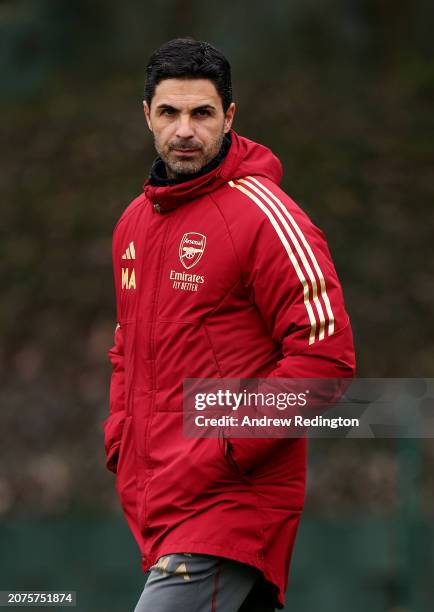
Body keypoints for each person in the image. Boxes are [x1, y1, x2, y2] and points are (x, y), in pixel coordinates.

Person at [103, 38, 356, 611]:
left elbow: (326, 359)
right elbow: (126, 350)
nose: (184, 130)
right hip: (162, 501)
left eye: (202, 113)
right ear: (147, 115)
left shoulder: (267, 216)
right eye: (169, 112)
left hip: (231, 506)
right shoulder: (133, 225)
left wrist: (224, 443)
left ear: (230, 117)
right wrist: (122, 437)